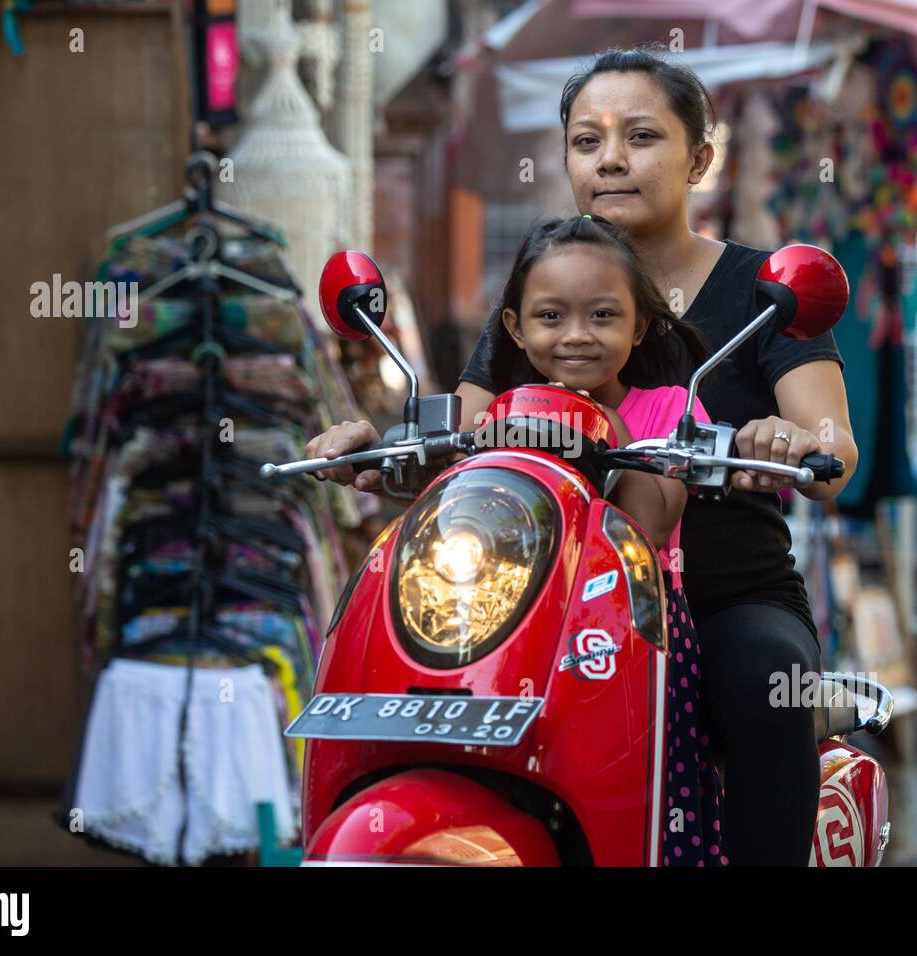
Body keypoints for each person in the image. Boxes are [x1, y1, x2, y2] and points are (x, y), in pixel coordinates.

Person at [314, 46, 859, 866]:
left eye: (641, 137)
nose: (610, 159)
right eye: (585, 140)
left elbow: (834, 451)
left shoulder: (760, 293)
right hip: (548, 597)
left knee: (764, 688)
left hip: (720, 599)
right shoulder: (546, 286)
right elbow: (456, 437)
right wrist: (381, 442)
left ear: (700, 158)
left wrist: (786, 441)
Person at [307, 213, 727, 864]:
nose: (577, 336)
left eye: (603, 316)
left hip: (622, 635)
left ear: (639, 326)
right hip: (499, 628)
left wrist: (606, 435)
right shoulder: (491, 418)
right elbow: (446, 492)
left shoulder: (670, 409)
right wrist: (369, 453)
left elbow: (647, 525)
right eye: (551, 316)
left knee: (654, 813)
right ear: (514, 327)